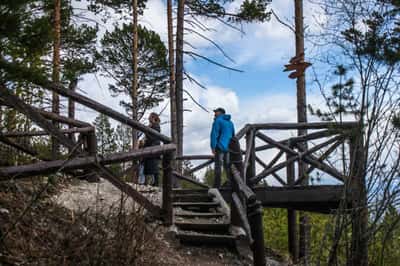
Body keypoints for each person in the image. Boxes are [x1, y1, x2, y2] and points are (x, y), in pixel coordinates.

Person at [210, 107, 235, 188]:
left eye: (216, 112)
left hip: (220, 147)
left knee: (218, 167)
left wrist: (213, 147)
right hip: (229, 147)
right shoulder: (230, 122)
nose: (214, 114)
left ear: (221, 112)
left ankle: (217, 186)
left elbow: (214, 135)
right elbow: (233, 135)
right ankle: (231, 183)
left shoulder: (218, 121)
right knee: (228, 166)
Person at [142, 112, 161, 186]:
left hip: (153, 148)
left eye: (150, 116)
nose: (148, 118)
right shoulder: (152, 126)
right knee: (149, 166)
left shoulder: (156, 126)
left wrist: (147, 131)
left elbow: (153, 137)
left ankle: (155, 183)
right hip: (150, 147)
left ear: (153, 118)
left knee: (154, 166)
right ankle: (149, 182)